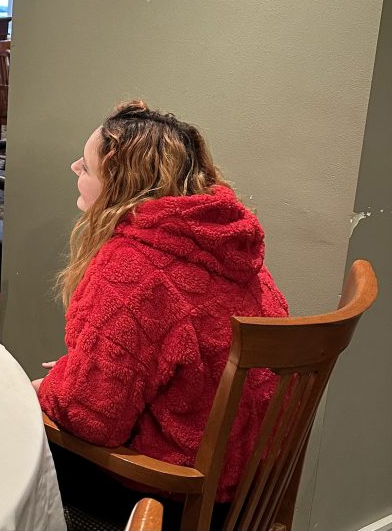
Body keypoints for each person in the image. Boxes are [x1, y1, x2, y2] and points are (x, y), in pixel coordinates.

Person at [34, 100, 288, 526]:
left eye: (89, 167)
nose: (75, 167)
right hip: (245, 486)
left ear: (119, 183)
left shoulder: (133, 268)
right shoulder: (230, 246)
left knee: (16, 423)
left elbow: (93, 419)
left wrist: (48, 386)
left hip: (169, 495)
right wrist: (77, 370)